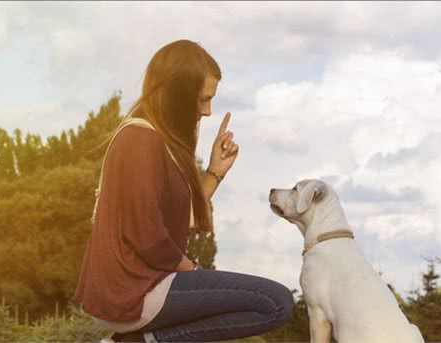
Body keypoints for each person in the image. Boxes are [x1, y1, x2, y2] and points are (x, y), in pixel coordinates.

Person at [73, 39, 293, 343]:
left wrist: (215, 170)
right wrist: (193, 270)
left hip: (143, 283)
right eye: (202, 99)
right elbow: (148, 237)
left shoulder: (156, 141)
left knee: (267, 302)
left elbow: (180, 219)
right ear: (177, 94)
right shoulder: (139, 140)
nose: (207, 111)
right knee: (276, 303)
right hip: (133, 289)